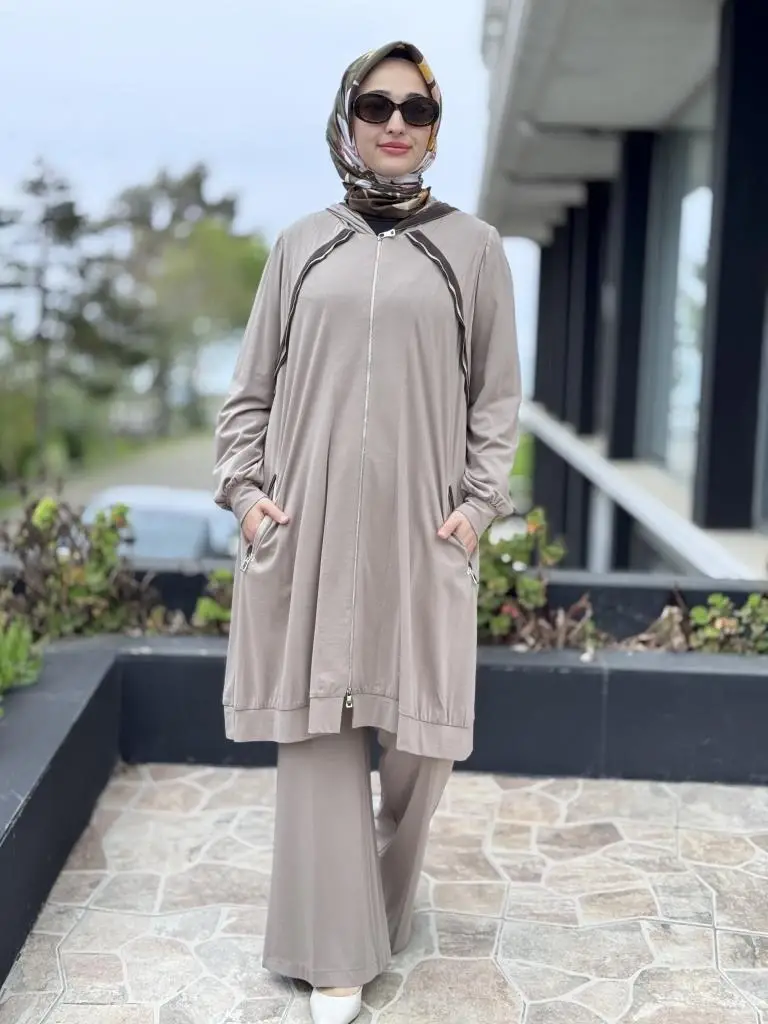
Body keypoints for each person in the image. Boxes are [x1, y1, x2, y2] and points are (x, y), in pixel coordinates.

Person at [213, 40, 521, 1024]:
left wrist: (477, 509)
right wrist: (246, 494)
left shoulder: (473, 248)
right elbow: (249, 392)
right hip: (304, 527)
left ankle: (370, 909)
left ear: (434, 128)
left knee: (425, 742)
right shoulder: (302, 246)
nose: (395, 123)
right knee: (320, 732)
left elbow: (496, 400)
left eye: (416, 109)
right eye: (376, 105)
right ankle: (334, 953)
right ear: (347, 120)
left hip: (424, 532)